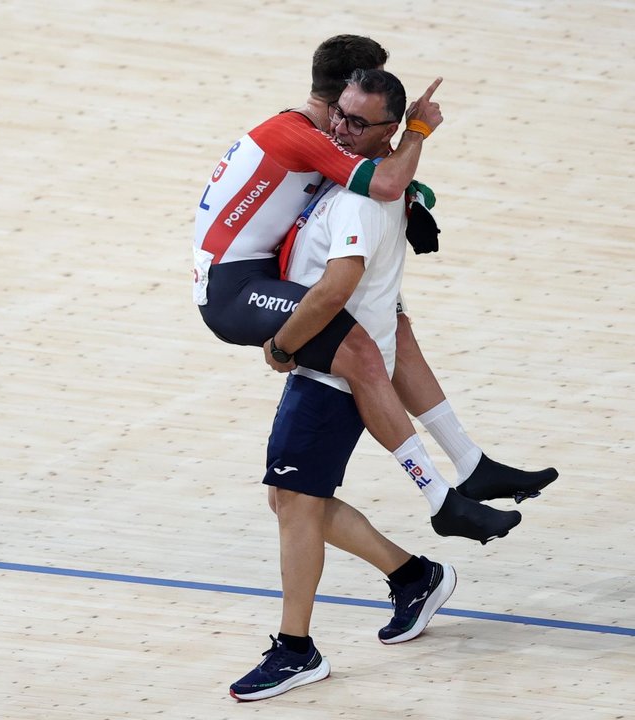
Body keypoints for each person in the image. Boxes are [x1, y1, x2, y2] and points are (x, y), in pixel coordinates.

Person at [194, 35, 557, 543]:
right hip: (234, 290)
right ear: (345, 93)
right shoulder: (302, 134)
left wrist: (412, 203)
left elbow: (379, 179)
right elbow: (382, 181)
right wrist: (418, 131)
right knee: (363, 350)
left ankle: (471, 463)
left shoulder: (320, 132)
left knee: (394, 325)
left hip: (262, 270)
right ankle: (439, 498)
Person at [230, 70, 459, 701]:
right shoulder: (351, 173)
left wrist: (281, 344)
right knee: (288, 499)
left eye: (358, 124)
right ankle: (413, 575)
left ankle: (296, 649)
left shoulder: (363, 194)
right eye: (340, 116)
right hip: (332, 362)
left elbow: (337, 288)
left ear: (387, 132)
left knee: (295, 504)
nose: (339, 130)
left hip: (336, 368)